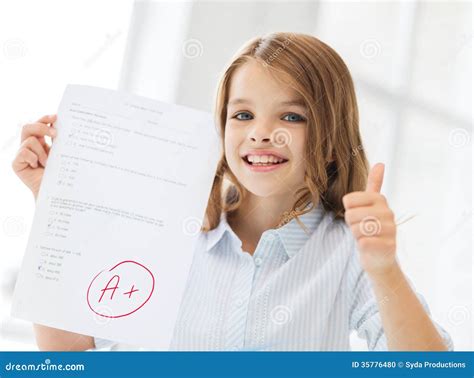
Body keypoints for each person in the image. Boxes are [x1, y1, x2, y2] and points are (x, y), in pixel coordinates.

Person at [12, 32, 453, 351]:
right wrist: (53, 206)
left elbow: (427, 365)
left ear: (331, 134)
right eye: (242, 115)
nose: (262, 134)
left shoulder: (345, 254)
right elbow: (71, 355)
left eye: (292, 117)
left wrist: (383, 269)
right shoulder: (170, 229)